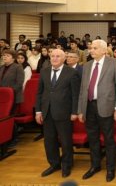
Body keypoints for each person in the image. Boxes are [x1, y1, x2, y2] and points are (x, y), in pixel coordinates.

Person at [77, 39, 116, 182]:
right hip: (89, 107)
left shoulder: (114, 64)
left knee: (109, 139)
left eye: (95, 48)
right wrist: (80, 109)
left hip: (106, 107)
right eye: (91, 48)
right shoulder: (87, 65)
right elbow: (83, 89)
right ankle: (95, 165)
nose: (91, 50)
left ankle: (110, 169)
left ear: (104, 50)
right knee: (92, 139)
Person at [35, 49, 80, 178]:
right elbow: (39, 93)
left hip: (64, 113)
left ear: (64, 58)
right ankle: (54, 164)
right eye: (52, 56)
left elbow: (75, 95)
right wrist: (38, 111)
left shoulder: (72, 73)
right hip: (47, 112)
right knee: (49, 141)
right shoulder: (44, 72)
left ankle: (66, 165)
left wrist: (74, 112)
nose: (54, 58)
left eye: (57, 56)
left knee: (66, 141)